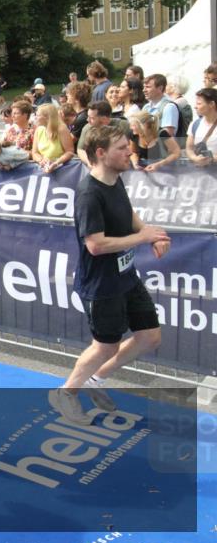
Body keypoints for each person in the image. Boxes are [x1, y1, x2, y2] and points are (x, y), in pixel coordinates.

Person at [48, 124, 170, 425]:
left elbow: (127, 213)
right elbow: (95, 245)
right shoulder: (89, 194)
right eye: (121, 148)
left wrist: (150, 234)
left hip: (126, 276)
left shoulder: (115, 180)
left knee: (149, 337)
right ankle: (66, 392)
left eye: (127, 145)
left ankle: (96, 380)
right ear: (101, 154)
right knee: (106, 345)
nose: (129, 151)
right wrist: (142, 239)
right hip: (101, 285)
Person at [186, 87, 217, 168]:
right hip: (200, 174)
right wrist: (195, 158)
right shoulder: (195, 124)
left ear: (211, 104)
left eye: (199, 103)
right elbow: (189, 148)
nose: (195, 107)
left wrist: (212, 159)